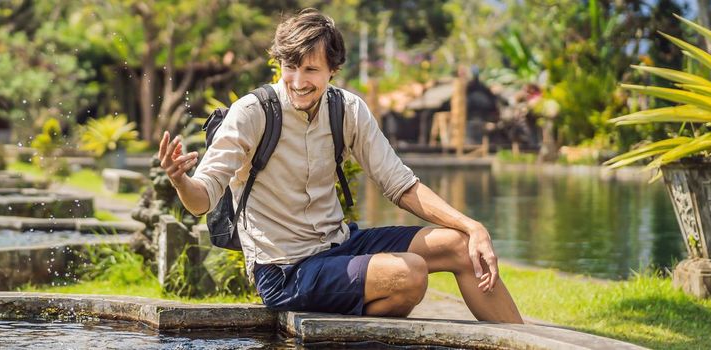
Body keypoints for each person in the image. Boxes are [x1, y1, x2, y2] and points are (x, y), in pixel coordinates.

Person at [157, 8, 523, 323]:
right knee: (408, 274)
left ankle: (525, 341)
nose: (298, 82)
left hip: (339, 246)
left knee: (459, 245)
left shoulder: (346, 109)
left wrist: (473, 227)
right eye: (290, 67)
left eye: (311, 70)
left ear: (333, 69)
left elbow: (401, 185)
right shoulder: (252, 113)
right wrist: (180, 181)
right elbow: (202, 198)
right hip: (284, 271)